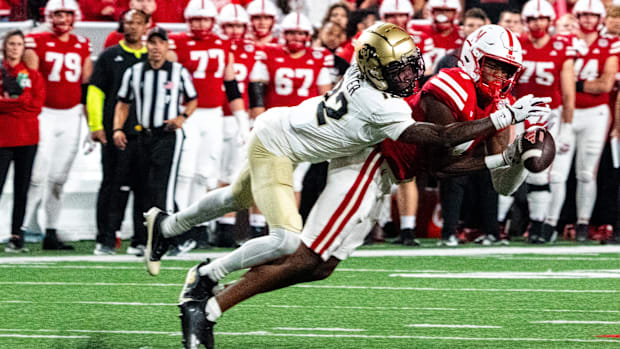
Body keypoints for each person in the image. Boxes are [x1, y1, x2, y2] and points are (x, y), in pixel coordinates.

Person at [174, 24, 552, 348]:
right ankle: (206, 305)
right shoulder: (450, 85)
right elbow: (440, 160)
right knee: (306, 255)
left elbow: (504, 186)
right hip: (373, 162)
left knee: (319, 268)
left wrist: (518, 153)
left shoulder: (502, 104)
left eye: (508, 70)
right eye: (494, 67)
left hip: (387, 175)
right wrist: (502, 133)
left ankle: (208, 282)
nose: (501, 77)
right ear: (473, 58)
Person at [247, 12, 334, 239]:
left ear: (308, 35)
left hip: (304, 127)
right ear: (283, 34)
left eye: (300, 33)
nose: (296, 37)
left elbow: (325, 97)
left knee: (294, 180)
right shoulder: (268, 53)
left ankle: (289, 229)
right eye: (291, 32)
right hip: (275, 124)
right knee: (265, 175)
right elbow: (256, 92)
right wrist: (258, 123)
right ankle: (258, 227)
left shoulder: (319, 57)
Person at [170, 0, 249, 250]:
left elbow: (231, 86)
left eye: (205, 20)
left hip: (213, 114)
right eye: (196, 20)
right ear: (188, 20)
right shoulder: (177, 43)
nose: (201, 24)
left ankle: (199, 227)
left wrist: (241, 122)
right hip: (188, 113)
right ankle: (179, 225)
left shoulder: (223, 44)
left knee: (206, 174)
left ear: (213, 21)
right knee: (184, 172)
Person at [113, 27, 198, 247]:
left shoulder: (178, 71)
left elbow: (193, 99)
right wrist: (117, 129)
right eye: (151, 42)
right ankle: (145, 239)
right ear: (145, 45)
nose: (156, 47)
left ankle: (173, 240)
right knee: (143, 188)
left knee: (163, 189)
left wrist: (182, 117)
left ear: (167, 45)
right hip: (144, 135)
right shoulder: (134, 72)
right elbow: (123, 102)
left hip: (168, 136)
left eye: (160, 42)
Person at [546, 0, 620, 242]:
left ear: (600, 18)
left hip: (596, 114)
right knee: (558, 172)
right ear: (576, 15)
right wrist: (580, 85)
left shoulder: (610, 42)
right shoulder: (564, 40)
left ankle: (582, 222)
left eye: (592, 15)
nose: (588, 19)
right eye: (583, 14)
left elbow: (605, 84)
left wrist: (572, 83)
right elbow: (556, 80)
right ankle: (549, 223)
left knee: (587, 173)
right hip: (567, 111)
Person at [22, 0, 92, 250]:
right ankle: (20, 230)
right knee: (37, 176)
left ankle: (50, 230)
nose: (62, 19)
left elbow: (86, 87)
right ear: (49, 16)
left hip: (70, 115)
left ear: (74, 16)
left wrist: (91, 124)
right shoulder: (35, 41)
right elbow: (29, 81)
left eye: (67, 14)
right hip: (45, 114)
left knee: (58, 179)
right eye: (58, 13)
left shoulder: (82, 44)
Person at [513, 0, 576, 243]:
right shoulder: (517, 45)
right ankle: (500, 225)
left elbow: (568, 92)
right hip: (522, 113)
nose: (537, 24)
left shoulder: (562, 46)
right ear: (525, 21)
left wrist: (567, 128)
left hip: (550, 115)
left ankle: (540, 226)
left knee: (543, 174)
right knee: (512, 170)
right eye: (532, 19)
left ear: (550, 21)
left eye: (541, 19)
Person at [87, 9, 150, 256]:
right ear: (121, 25)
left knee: (144, 188)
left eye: (138, 23)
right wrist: (96, 126)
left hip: (145, 135)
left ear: (146, 26)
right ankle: (105, 237)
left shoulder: (154, 57)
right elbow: (95, 92)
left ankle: (140, 239)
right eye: (128, 23)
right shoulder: (109, 56)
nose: (133, 27)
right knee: (112, 185)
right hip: (116, 133)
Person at [214, 3, 256, 246]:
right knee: (210, 174)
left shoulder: (253, 51)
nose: (234, 30)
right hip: (213, 113)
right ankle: (205, 226)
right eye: (230, 25)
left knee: (232, 173)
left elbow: (254, 87)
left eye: (239, 25)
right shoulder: (215, 46)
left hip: (237, 116)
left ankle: (225, 226)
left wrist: (249, 120)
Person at [0, 30, 45, 253]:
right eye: (11, 43)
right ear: (5, 47)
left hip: (27, 137)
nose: (15, 48)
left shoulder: (33, 75)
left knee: (22, 188)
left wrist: (9, 105)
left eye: (19, 44)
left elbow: (35, 105)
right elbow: (26, 103)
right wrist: (18, 104)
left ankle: (17, 235)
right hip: (3, 138)